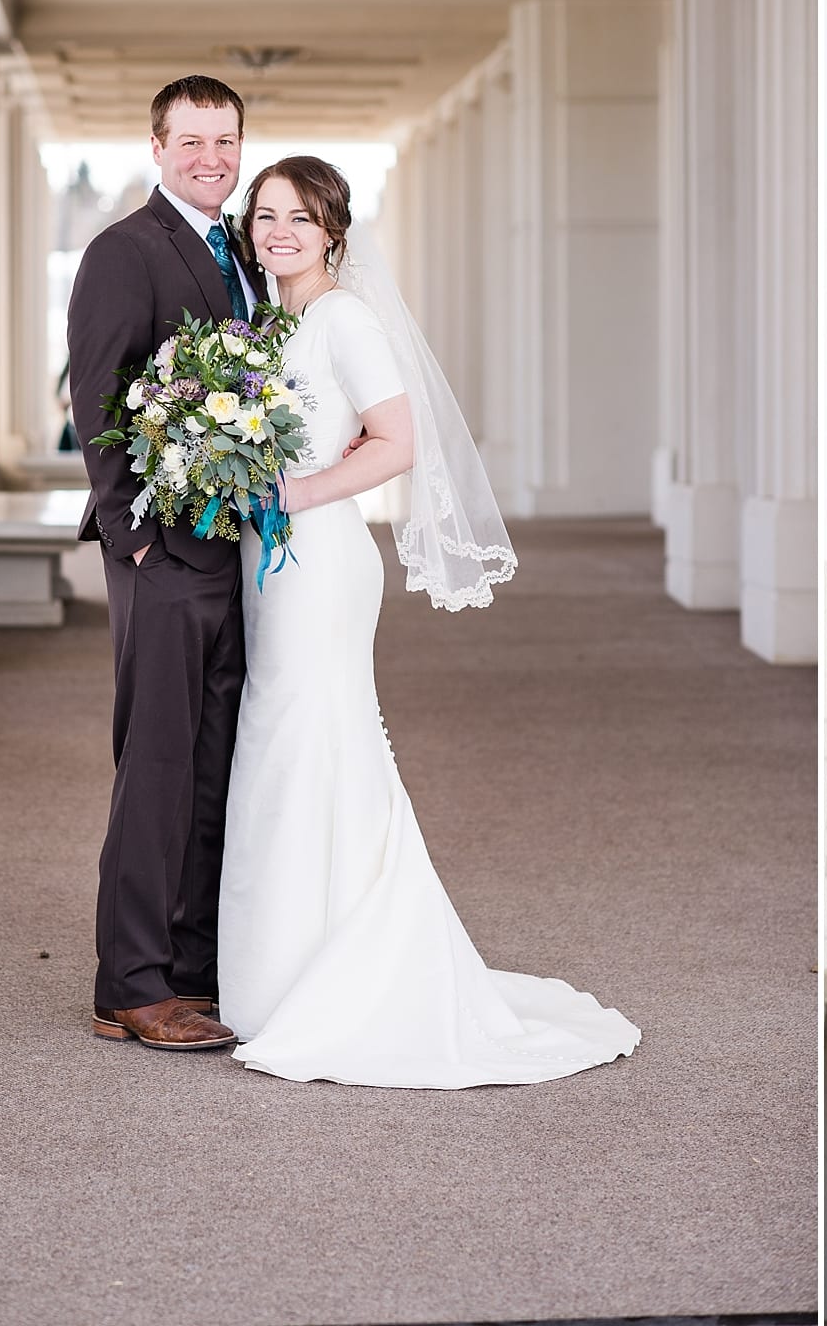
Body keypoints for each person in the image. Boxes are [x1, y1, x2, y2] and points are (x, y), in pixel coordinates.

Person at [213, 156, 640, 1087]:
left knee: (313, 740)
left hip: (317, 562)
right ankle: (279, 968)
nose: (277, 231)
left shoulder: (346, 320)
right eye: (265, 215)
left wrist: (299, 489)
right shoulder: (267, 324)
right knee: (282, 743)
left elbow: (397, 442)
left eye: (298, 216)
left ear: (333, 230)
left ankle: (343, 972)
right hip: (269, 559)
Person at [66, 76, 263, 1052]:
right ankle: (130, 982)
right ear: (158, 147)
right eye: (191, 141)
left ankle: (189, 965)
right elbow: (97, 400)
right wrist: (133, 537)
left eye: (224, 141)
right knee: (156, 761)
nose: (210, 158)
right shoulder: (123, 250)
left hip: (231, 550)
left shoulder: (241, 255)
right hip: (160, 551)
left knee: (213, 755)